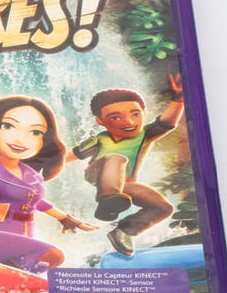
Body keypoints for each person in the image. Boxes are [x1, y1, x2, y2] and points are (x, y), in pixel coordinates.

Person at [0, 97, 96, 272]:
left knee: (35, 265)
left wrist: (64, 218)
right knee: (54, 255)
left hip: (21, 235)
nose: (21, 140)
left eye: (35, 132)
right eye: (8, 126)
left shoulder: (32, 174)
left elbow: (35, 200)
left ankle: (7, 278)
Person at [66, 75, 184, 256]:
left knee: (163, 208)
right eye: (115, 117)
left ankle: (123, 231)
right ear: (100, 121)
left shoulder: (145, 135)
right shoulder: (100, 139)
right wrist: (39, 168)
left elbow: (167, 123)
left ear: (144, 112)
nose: (129, 122)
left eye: (135, 114)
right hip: (97, 174)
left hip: (124, 185)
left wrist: (178, 100)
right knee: (116, 158)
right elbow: (70, 156)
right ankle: (107, 200)